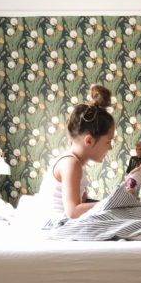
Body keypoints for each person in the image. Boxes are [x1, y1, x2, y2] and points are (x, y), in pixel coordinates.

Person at [38, 85, 115, 223]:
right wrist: (111, 204)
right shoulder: (71, 163)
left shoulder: (73, 162)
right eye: (108, 142)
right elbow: (73, 211)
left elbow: (76, 205)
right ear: (89, 140)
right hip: (56, 225)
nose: (110, 147)